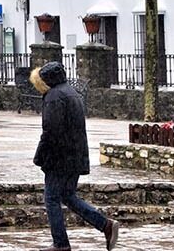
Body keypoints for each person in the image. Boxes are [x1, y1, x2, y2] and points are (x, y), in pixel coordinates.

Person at [32, 61, 119, 251]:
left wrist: (41, 156)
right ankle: (105, 225)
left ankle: (61, 244)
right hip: (75, 155)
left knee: (52, 198)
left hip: (60, 158)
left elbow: (51, 132)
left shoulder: (54, 97)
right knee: (68, 195)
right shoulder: (71, 93)